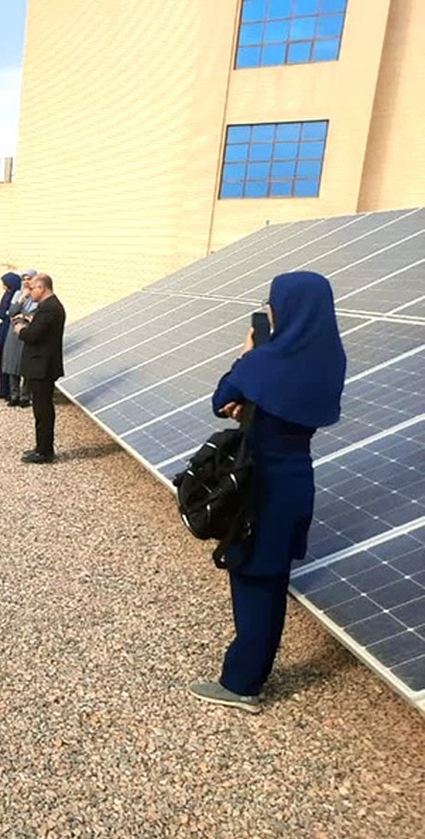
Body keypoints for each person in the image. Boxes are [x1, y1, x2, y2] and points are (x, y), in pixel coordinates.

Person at [189, 271, 346, 713]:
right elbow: (285, 403)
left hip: (260, 488)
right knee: (273, 579)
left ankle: (242, 683)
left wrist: (246, 358)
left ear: (287, 307)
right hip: (298, 481)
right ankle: (254, 671)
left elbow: (222, 398)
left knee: (253, 579)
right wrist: (254, 397)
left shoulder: (265, 362)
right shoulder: (329, 360)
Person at [14, 273, 66, 463]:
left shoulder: (49, 309)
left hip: (42, 366)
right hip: (41, 365)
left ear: (42, 288)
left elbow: (34, 335)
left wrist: (21, 329)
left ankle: (44, 451)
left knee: (43, 410)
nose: (31, 291)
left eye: (33, 288)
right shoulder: (48, 307)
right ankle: (41, 446)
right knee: (40, 408)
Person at [0, 269, 37, 407]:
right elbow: (11, 312)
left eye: (29, 279)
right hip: (13, 334)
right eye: (24, 279)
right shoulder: (17, 294)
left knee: (25, 365)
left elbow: (34, 315)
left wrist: (23, 315)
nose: (26, 282)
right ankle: (14, 395)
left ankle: (25, 396)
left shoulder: (37, 295)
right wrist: (23, 297)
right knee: (12, 364)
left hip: (28, 334)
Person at [0, 272, 23, 400]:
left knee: (10, 358)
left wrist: (7, 314)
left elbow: (11, 313)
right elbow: (0, 312)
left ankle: (12, 391)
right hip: (3, 328)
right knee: (2, 359)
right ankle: (3, 389)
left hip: (11, 329)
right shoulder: (6, 295)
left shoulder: (17, 296)